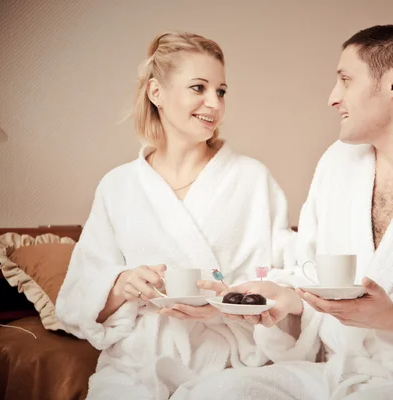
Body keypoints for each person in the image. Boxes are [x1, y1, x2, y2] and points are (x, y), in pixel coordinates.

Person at [174, 24, 393, 400]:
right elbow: (312, 272)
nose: (333, 98)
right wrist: (286, 298)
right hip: (341, 371)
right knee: (211, 393)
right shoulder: (339, 163)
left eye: (345, 80)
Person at [55, 31, 296, 400]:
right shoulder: (118, 186)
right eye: (198, 88)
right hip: (138, 366)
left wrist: (226, 305)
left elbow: (286, 280)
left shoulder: (252, 179)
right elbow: (77, 299)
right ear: (156, 93)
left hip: (232, 364)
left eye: (221, 91)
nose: (213, 103)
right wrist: (121, 285)